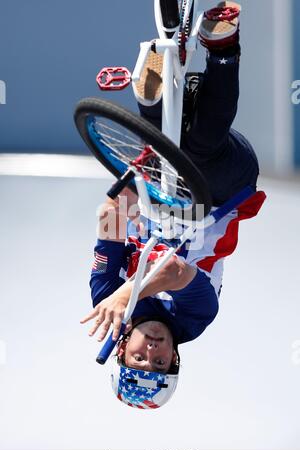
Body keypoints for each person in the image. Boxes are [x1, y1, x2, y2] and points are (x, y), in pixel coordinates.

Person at [81, 2, 266, 410]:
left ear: (122, 349)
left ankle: (155, 84)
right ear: (176, 358)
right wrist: (127, 293)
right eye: (161, 362)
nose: (153, 350)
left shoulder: (106, 303)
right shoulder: (195, 320)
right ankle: (222, 46)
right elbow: (176, 271)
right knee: (199, 149)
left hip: (161, 185)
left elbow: (109, 224)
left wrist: (122, 196)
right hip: (223, 191)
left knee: (161, 124)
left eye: (139, 359)